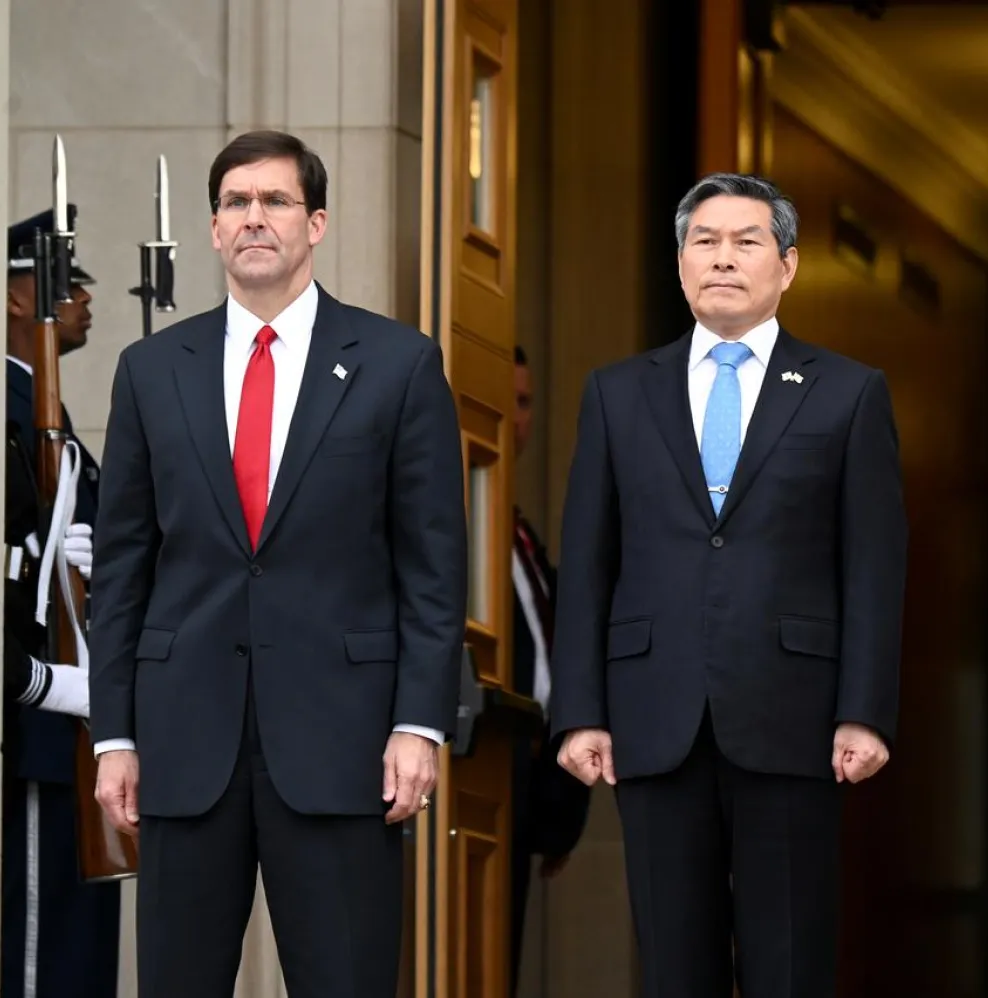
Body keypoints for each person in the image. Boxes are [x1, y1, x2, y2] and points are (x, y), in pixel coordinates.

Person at [87, 129, 468, 997]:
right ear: (214, 230)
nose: (254, 217)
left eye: (276, 201)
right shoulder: (150, 372)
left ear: (317, 223)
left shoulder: (399, 365)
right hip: (185, 746)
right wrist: (115, 734)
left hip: (345, 745)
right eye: (235, 203)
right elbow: (123, 569)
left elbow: (433, 566)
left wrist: (420, 722)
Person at [549, 173, 907, 997]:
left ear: (787, 266)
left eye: (747, 242)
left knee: (790, 961)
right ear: (679, 266)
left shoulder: (848, 393)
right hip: (652, 715)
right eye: (704, 241)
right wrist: (579, 711)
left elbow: (874, 564)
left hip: (797, 716)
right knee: (674, 964)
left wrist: (864, 709)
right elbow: (590, 557)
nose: (723, 258)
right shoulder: (618, 392)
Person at [0, 206, 119, 998]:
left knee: (82, 953)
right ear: (17, 297)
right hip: (39, 723)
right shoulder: (7, 410)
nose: (82, 298)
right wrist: (39, 682)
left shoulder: (51, 415)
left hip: (80, 723)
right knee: (42, 956)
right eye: (64, 281)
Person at [507, 345, 590, 993]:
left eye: (527, 401)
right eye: (506, 397)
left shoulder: (520, 534)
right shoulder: (455, 523)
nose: (515, 415)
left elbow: (552, 665)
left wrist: (560, 806)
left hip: (526, 791)